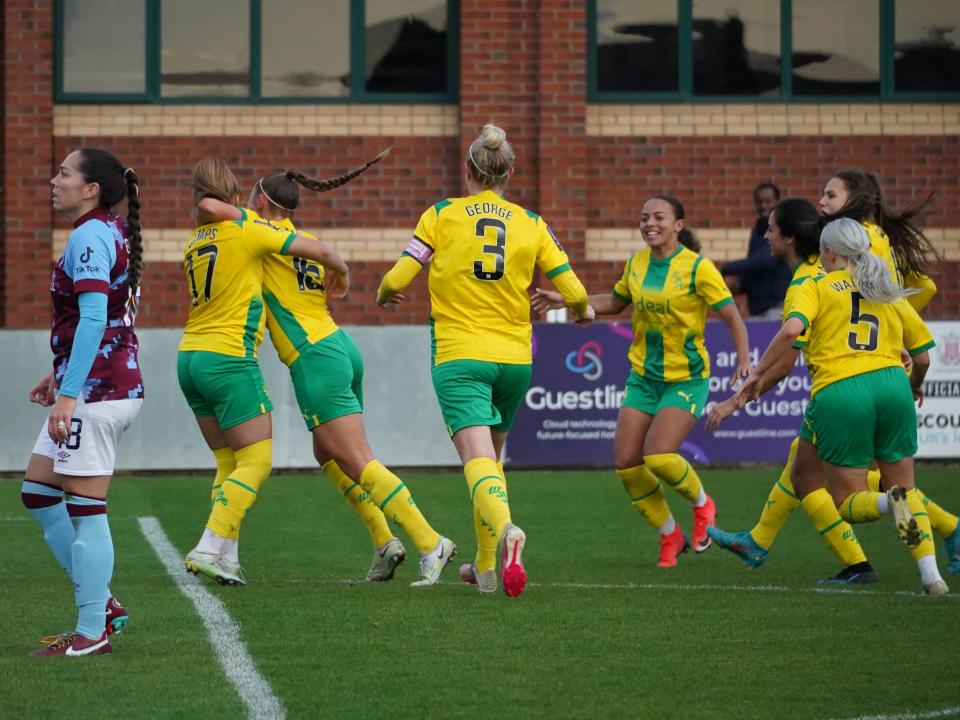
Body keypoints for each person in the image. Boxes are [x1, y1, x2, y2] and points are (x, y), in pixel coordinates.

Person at [196, 153, 458, 586]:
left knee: (358, 459)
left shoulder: (257, 231)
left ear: (260, 199)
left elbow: (210, 208)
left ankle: (431, 543)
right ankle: (383, 541)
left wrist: (241, 211)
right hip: (340, 348)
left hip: (314, 359)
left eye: (252, 196)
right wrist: (343, 277)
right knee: (328, 453)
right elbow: (331, 267)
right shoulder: (303, 237)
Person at [377, 123, 593, 597]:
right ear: (509, 172)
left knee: (477, 460)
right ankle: (485, 567)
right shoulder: (531, 222)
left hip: (460, 355)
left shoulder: (440, 214)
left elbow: (398, 277)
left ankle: (510, 532)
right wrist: (579, 310)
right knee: (492, 461)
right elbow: (574, 289)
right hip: (515, 358)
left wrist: (384, 293)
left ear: (468, 170)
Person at [708, 178, 959, 580]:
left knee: (854, 490)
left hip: (844, 384)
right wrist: (894, 341)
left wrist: (740, 394)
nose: (822, 201)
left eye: (831, 194)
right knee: (805, 470)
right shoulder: (865, 253)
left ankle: (942, 527)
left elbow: (789, 345)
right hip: (890, 380)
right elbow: (917, 299)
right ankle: (891, 568)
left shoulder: (817, 277)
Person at [535, 195, 751, 568]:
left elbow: (731, 316)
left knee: (658, 455)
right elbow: (614, 303)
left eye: (659, 217)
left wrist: (744, 360)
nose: (650, 223)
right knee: (627, 462)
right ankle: (671, 535)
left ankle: (703, 505)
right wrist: (569, 300)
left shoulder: (698, 268)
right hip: (643, 378)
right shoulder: (636, 263)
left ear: (678, 225)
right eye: (644, 217)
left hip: (686, 377)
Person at [179, 158, 352, 586]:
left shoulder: (194, 240)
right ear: (238, 198)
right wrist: (341, 274)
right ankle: (207, 547)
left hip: (189, 359)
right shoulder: (247, 228)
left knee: (228, 461)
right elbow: (324, 252)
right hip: (228, 358)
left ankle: (228, 558)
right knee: (257, 460)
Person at [28, 149, 144, 656]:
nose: (54, 181)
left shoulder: (91, 235)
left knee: (86, 508)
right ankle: (103, 604)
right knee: (37, 490)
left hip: (98, 394)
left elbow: (96, 319)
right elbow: (102, 318)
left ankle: (92, 630)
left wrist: (70, 394)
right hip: (94, 385)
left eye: (65, 173)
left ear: (91, 188)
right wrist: (59, 373)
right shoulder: (104, 231)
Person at [720, 182, 791, 320]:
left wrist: (726, 268)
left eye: (768, 201)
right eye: (759, 202)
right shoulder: (757, 230)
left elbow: (765, 261)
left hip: (776, 308)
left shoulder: (782, 228)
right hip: (756, 310)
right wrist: (739, 285)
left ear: (777, 202)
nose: (763, 205)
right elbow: (755, 269)